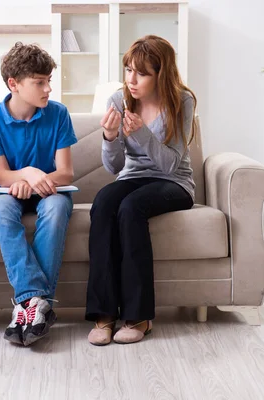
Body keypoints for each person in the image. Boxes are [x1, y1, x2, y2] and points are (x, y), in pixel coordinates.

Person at [86, 35, 198, 345]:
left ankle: (138, 317)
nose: (131, 80)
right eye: (128, 70)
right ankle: (104, 314)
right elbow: (114, 168)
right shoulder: (118, 101)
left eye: (142, 73)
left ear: (161, 74)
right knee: (105, 201)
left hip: (174, 183)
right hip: (131, 178)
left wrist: (143, 133)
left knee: (131, 207)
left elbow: (170, 166)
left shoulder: (181, 101)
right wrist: (110, 137)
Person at [0, 42, 77, 346]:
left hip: (50, 190)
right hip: (8, 190)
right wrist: (26, 175)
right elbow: (4, 175)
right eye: (39, 82)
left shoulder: (58, 114)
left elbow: (66, 173)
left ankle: (27, 306)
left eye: (49, 81)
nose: (48, 89)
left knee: (57, 209)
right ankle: (38, 302)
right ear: (13, 84)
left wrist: (32, 178)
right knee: (3, 209)